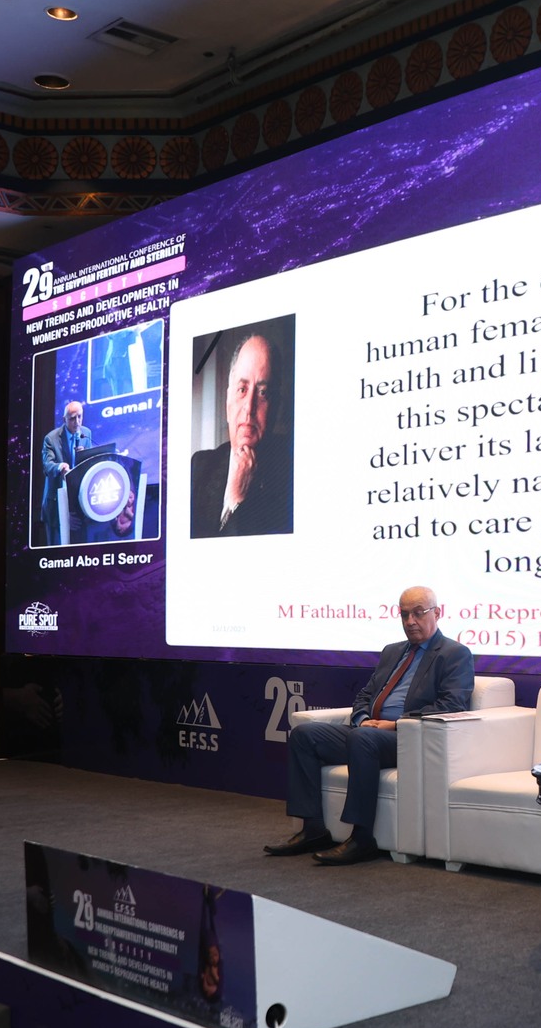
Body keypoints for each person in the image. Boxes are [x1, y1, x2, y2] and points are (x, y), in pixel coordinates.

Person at [266, 587, 473, 864]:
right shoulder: (392, 651)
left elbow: (452, 704)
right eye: (404, 614)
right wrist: (363, 719)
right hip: (368, 732)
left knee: (362, 739)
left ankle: (362, 838)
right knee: (305, 735)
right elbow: (365, 695)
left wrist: (395, 724)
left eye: (418, 613)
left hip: (407, 738)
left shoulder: (454, 653)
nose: (410, 621)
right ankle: (313, 828)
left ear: (437, 613)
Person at [191, 332, 292, 537]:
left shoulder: (291, 474)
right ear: (228, 402)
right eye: (242, 389)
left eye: (263, 392)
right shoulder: (199, 467)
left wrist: (238, 499)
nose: (249, 407)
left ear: (276, 407)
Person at [39, 400, 90, 546]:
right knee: (56, 553)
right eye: (72, 418)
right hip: (55, 505)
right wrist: (60, 466)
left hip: (78, 504)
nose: (77, 422)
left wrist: (85, 455)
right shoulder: (51, 439)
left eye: (79, 417)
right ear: (64, 419)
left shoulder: (86, 434)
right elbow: (47, 466)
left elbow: (89, 464)